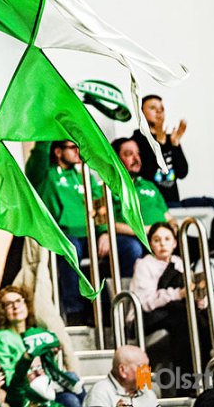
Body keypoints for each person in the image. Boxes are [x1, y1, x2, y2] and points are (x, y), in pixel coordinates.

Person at [129, 223, 208, 372]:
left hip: (175, 311)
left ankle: (204, 372)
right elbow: (146, 303)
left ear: (174, 243)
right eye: (157, 240)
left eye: (167, 239)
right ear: (150, 244)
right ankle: (186, 378)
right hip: (148, 317)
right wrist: (178, 294)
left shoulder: (179, 263)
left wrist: (199, 299)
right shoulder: (144, 265)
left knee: (202, 319)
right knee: (184, 322)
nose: (162, 244)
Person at [0, 286, 85, 407]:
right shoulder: (0, 338)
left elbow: (48, 368)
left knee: (73, 378)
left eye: (18, 301)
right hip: (26, 391)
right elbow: (10, 376)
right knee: (70, 400)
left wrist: (50, 355)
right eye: (9, 304)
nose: (15, 306)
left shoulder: (36, 332)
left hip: (47, 383)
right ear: (2, 311)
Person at [34, 141, 96, 323]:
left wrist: (104, 233)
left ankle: (108, 308)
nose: (78, 151)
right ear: (58, 151)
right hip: (63, 234)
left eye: (78, 146)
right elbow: (39, 153)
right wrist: (48, 130)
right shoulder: (46, 174)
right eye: (72, 147)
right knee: (71, 249)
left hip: (91, 234)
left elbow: (100, 203)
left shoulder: (84, 175)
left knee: (127, 248)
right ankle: (74, 310)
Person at [98, 139, 174, 278]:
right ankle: (129, 290)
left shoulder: (149, 185)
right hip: (131, 237)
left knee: (190, 241)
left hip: (160, 234)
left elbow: (168, 217)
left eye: (137, 154)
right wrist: (144, 231)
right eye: (129, 154)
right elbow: (107, 222)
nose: (136, 158)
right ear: (116, 159)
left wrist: (174, 228)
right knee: (133, 248)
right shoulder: (107, 188)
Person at [130, 95, 189, 205]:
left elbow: (182, 172)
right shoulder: (136, 141)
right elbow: (146, 173)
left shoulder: (170, 138)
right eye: (153, 108)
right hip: (150, 204)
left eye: (162, 108)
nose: (159, 111)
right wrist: (160, 144)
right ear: (141, 113)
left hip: (173, 203)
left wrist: (175, 145)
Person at [82, 346, 157, 407]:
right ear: (122, 370)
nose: (148, 373)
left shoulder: (147, 393)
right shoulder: (99, 393)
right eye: (142, 367)